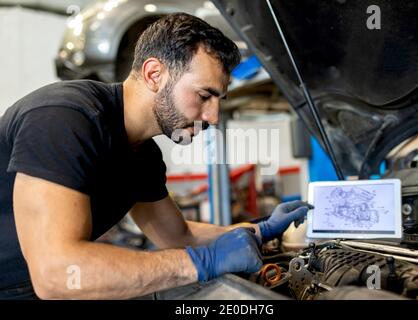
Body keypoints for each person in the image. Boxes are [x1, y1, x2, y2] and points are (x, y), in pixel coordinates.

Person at [0, 13, 313, 299]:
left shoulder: (144, 155)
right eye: (204, 95)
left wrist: (261, 229)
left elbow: (178, 234)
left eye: (218, 99)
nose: (214, 116)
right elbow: (55, 273)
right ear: (153, 74)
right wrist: (201, 262)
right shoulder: (63, 119)